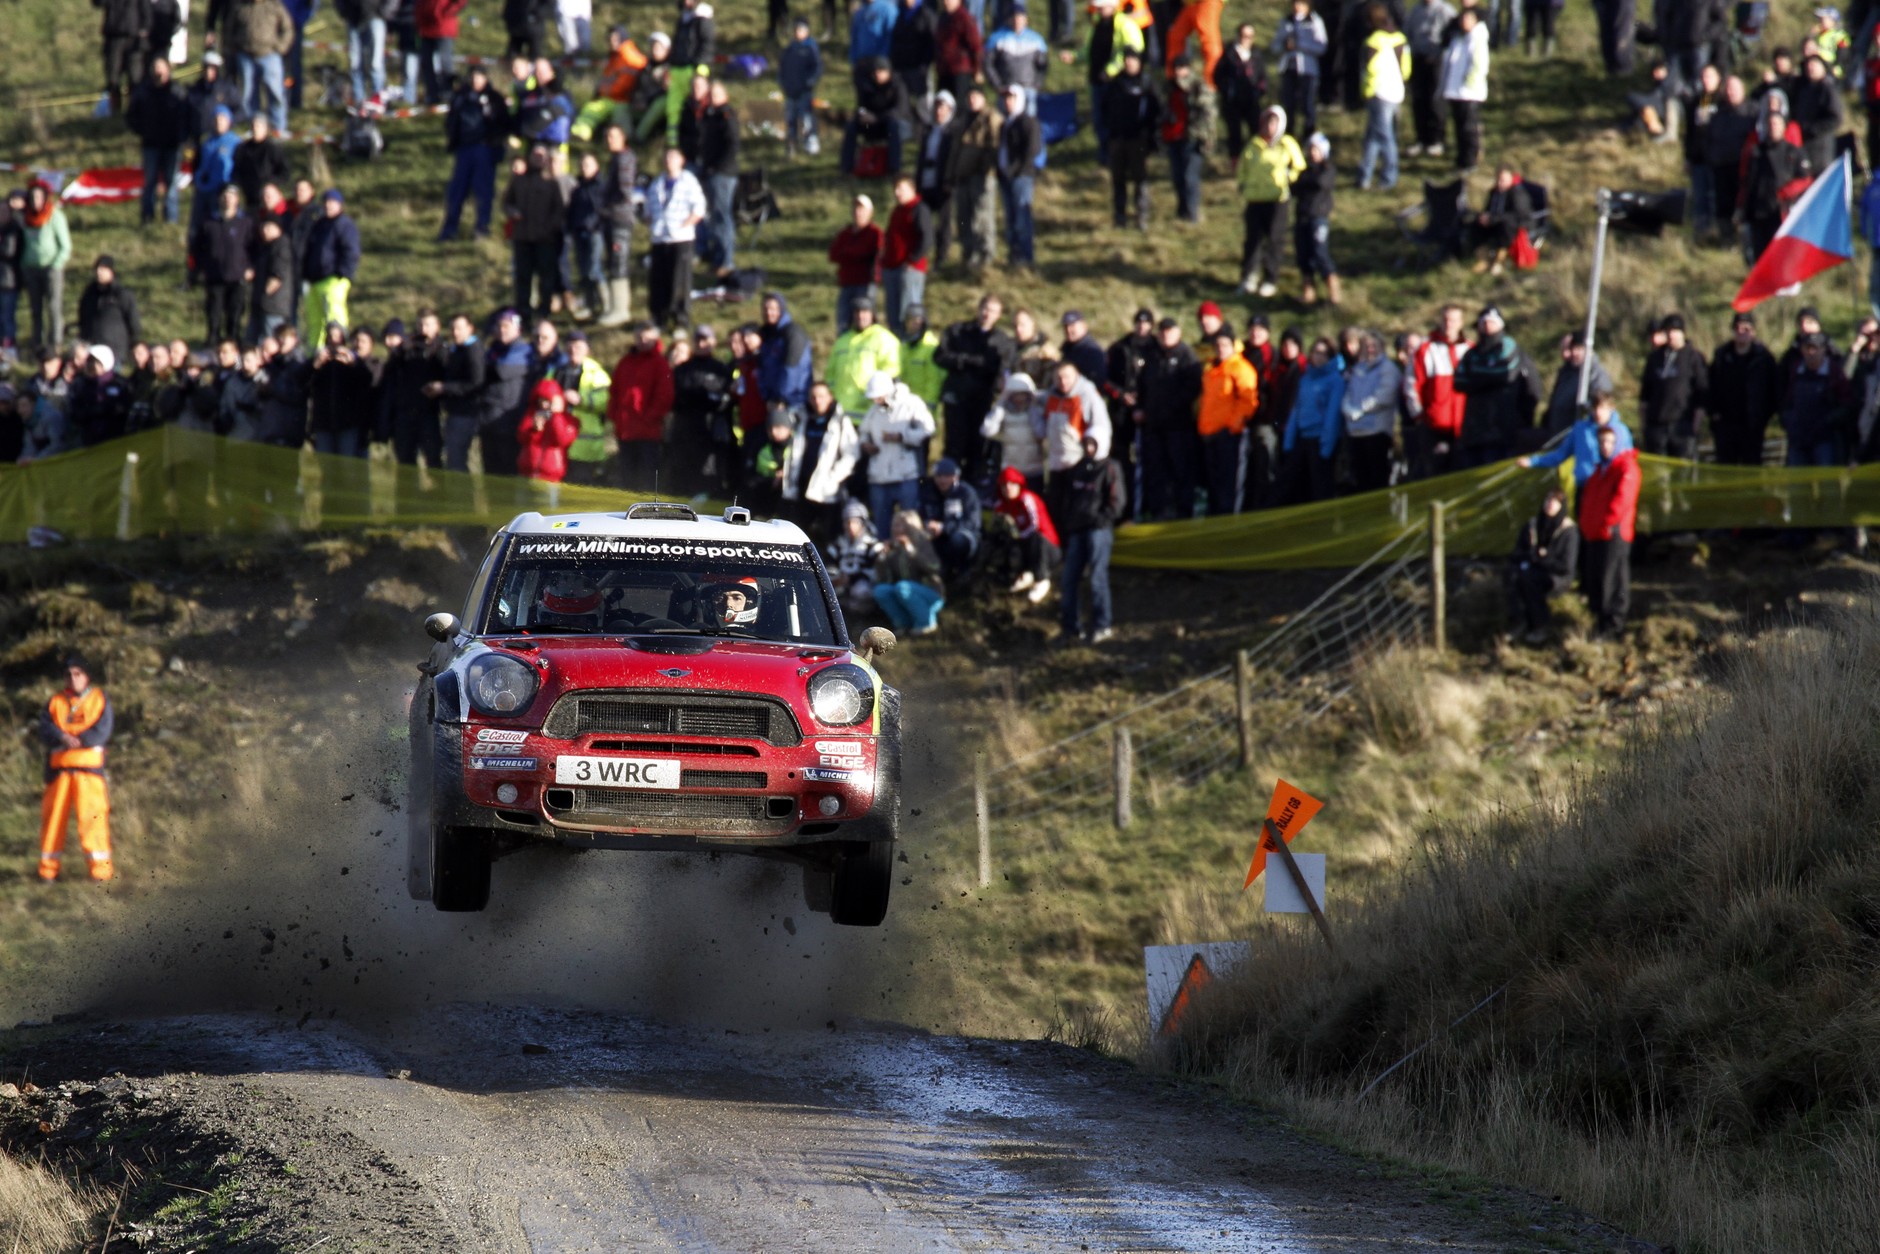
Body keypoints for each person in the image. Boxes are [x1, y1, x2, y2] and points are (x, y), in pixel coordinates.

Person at [36, 656, 115, 883]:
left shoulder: (99, 699)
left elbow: (103, 730)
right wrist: (62, 736)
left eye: (78, 673)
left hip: (89, 773)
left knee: (93, 820)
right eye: (68, 674)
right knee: (52, 822)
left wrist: (79, 740)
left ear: (86, 676)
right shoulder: (55, 702)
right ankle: (47, 872)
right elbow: (44, 729)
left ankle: (100, 872)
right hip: (59, 773)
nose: (73, 678)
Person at [1051, 433, 1125, 642]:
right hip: (1077, 529)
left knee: (1097, 578)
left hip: (1099, 530)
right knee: (1068, 579)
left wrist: (1102, 520)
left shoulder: (1110, 467)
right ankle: (1070, 628)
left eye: (1093, 444)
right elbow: (1069, 498)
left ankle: (1102, 624)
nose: (1090, 448)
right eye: (1087, 444)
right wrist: (1069, 522)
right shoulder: (1078, 469)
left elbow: (1117, 502)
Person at [935, 293, 1017, 479]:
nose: (987, 314)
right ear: (979, 309)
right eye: (985, 309)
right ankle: (948, 485)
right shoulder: (958, 331)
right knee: (953, 446)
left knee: (977, 447)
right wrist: (966, 360)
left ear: (999, 315)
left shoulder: (1002, 341)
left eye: (993, 311)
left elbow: (1004, 370)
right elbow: (939, 356)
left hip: (982, 400)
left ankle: (972, 489)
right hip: (956, 397)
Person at [1453, 306, 1536, 468]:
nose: (1487, 327)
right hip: (1474, 430)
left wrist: (1477, 379)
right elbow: (1459, 382)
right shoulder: (1472, 354)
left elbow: (1507, 375)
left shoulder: (1511, 349)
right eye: (1483, 323)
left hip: (1504, 428)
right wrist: (1487, 380)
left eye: (1491, 323)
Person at [1578, 423, 1640, 639]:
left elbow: (1623, 499)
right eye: (1602, 441)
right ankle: (1600, 623)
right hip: (1595, 534)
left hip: (1613, 534)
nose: (1605, 446)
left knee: (1611, 580)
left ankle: (1613, 625)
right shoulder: (1598, 473)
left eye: (1609, 442)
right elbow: (1588, 503)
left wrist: (1607, 523)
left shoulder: (1626, 468)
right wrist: (1587, 526)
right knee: (1596, 579)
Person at [1236, 105, 1304, 296]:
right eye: (1266, 121)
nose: (1269, 126)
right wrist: (1243, 184)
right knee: (1252, 241)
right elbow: (1242, 167)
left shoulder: (1287, 144)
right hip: (1254, 199)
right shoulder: (1253, 145)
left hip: (1278, 199)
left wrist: (1288, 180)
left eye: (1273, 122)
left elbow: (1299, 167)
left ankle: (1270, 278)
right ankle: (1249, 276)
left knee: (1274, 240)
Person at [1069, 0, 1146, 164]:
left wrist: (1111, 71)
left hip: (1116, 84)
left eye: (1102, 6)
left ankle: (1116, 157)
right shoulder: (1097, 24)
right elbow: (1089, 49)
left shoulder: (1125, 25)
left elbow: (1131, 51)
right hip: (1097, 80)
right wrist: (1075, 57)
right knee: (1099, 120)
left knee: (1113, 120)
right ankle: (1105, 156)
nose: (1099, 10)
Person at [439, 64, 509, 242]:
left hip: (485, 148)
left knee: (483, 191)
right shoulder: (460, 97)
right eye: (473, 77)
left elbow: (503, 123)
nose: (475, 80)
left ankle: (482, 228)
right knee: (456, 191)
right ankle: (449, 229)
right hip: (463, 149)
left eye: (479, 77)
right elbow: (451, 120)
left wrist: (495, 144)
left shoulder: (494, 98)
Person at [860, 370, 937, 529]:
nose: (876, 401)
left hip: (906, 474)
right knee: (882, 524)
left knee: (909, 524)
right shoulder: (874, 410)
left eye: (878, 397)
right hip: (879, 476)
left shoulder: (911, 403)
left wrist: (902, 437)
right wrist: (866, 444)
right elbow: (864, 431)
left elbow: (928, 429)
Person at [1739, 91, 1811, 261]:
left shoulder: (1794, 152)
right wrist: (1742, 207)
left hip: (1782, 211)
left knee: (1782, 255)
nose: (1773, 127)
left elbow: (1805, 180)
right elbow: (1746, 181)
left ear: (1784, 126)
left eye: (1777, 124)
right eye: (1770, 124)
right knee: (1759, 255)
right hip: (1758, 211)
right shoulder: (1755, 151)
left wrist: (1784, 193)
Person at [606, 321, 675, 490]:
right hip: (625, 432)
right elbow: (615, 391)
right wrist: (615, 416)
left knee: (647, 481)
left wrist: (648, 418)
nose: (643, 340)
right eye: (639, 336)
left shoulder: (659, 363)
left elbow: (664, 396)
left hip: (648, 434)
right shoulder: (626, 362)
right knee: (627, 479)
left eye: (647, 336)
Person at [1197, 326, 1258, 513]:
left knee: (1228, 484)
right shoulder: (1211, 368)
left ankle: (1229, 517)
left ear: (1233, 345)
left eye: (1225, 344)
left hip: (1228, 434)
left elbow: (1248, 402)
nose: (1221, 348)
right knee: (1213, 483)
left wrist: (1233, 426)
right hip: (1209, 434)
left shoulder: (1241, 368)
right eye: (1218, 344)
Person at [1507, 488, 1579, 643]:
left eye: (1555, 501)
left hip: (1557, 576)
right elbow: (1519, 552)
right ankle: (1518, 622)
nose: (1550, 504)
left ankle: (1540, 627)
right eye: (1548, 500)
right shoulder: (1533, 525)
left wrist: (1543, 559)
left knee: (1531, 581)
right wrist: (1531, 557)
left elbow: (1566, 566)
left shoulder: (1569, 531)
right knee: (1512, 575)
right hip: (1533, 568)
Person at [1707, 311, 1779, 466]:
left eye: (1746, 328)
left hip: (1752, 425)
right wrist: (1714, 414)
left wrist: (1763, 416)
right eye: (1738, 328)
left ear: (1753, 331)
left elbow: (1774, 390)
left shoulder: (1764, 358)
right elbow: (1710, 386)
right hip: (1726, 425)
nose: (1741, 332)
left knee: (1752, 465)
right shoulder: (1721, 356)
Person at [646, 148, 706, 331]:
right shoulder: (657, 184)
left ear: (681, 160)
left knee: (680, 279)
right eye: (666, 157)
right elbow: (648, 209)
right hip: (659, 238)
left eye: (673, 157)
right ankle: (659, 318)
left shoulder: (689, 182)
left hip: (681, 238)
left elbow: (699, 207)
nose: (668, 160)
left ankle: (680, 317)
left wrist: (686, 224)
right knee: (658, 279)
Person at [126, 58, 190, 226]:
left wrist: (181, 136)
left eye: (161, 67)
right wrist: (143, 131)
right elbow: (132, 115)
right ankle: (148, 217)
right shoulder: (143, 91)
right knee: (150, 182)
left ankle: (171, 218)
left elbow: (186, 116)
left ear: (168, 69)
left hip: (172, 145)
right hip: (151, 144)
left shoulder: (177, 91)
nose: (158, 71)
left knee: (171, 182)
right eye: (155, 67)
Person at [1103, 48, 1160, 232]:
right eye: (1126, 59)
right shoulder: (1116, 84)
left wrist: (1151, 138)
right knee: (1118, 180)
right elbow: (1104, 109)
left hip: (1138, 140)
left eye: (1133, 59)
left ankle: (1141, 216)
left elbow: (1156, 111)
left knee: (1140, 179)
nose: (1129, 63)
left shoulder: (1147, 83)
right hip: (1117, 138)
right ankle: (1119, 217)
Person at [1282, 336, 1344, 502]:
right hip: (1302, 439)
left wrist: (1326, 446)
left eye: (1323, 353)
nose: (1318, 357)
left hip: (1320, 442)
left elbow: (1332, 415)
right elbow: (1296, 410)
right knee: (1297, 488)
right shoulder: (1305, 379)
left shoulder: (1335, 380)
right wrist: (1288, 441)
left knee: (1320, 489)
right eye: (1316, 352)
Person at [1638, 313, 1708, 458]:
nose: (1671, 335)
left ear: (1682, 333)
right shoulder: (1655, 358)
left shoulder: (1693, 357)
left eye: (1674, 331)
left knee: (1682, 473)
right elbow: (1645, 394)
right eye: (1668, 331)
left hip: (1682, 426)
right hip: (1656, 426)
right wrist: (1644, 425)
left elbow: (1702, 393)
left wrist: (1695, 425)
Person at [1781, 331, 1853, 468]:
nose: (1811, 353)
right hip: (1798, 440)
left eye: (1815, 348)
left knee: (1827, 484)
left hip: (1825, 441)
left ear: (1824, 350)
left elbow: (1847, 403)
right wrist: (1788, 420)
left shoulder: (1834, 372)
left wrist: (1829, 421)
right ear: (1802, 350)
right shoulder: (1796, 371)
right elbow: (1787, 401)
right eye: (1807, 348)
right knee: (1798, 485)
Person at [1340, 329, 1399, 492]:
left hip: (1376, 431)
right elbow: (1348, 392)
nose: (1370, 349)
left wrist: (1362, 409)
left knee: (1377, 477)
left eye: (1374, 345)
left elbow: (1384, 395)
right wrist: (1348, 408)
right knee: (1360, 477)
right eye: (1366, 346)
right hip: (1356, 431)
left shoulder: (1388, 368)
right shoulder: (1358, 369)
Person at [1358, 4, 1409, 191]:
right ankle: (1364, 175)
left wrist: (1365, 91)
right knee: (1373, 136)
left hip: (1379, 93)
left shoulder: (1373, 42)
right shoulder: (1400, 39)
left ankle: (1389, 177)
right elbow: (1406, 68)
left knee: (1385, 137)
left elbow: (1367, 70)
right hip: (1396, 92)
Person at [190, 188, 251, 346]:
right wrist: (200, 269)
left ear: (237, 199)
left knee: (235, 314)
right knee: (214, 314)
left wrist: (251, 267)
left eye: (231, 196)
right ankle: (212, 343)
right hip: (214, 276)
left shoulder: (245, 222)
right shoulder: (209, 222)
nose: (227, 199)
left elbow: (253, 247)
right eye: (224, 196)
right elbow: (197, 248)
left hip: (237, 276)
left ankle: (233, 343)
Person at [873, 508, 947, 634]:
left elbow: (934, 568)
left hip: (930, 593)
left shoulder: (923, 542)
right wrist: (882, 558)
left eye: (901, 525)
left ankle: (926, 622)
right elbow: (885, 579)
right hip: (904, 592)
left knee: (903, 587)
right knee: (881, 591)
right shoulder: (893, 548)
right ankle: (903, 624)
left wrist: (911, 551)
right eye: (895, 525)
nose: (897, 529)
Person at [952, 85, 1003, 269]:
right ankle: (969, 253)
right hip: (962, 175)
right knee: (963, 217)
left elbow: (995, 144)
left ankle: (986, 253)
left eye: (976, 96)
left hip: (982, 175)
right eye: (969, 96)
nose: (972, 99)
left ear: (983, 98)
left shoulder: (991, 117)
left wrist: (985, 167)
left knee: (982, 216)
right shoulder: (963, 119)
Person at [227, 0, 295, 133]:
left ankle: (278, 127)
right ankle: (254, 127)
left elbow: (287, 28)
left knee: (275, 93)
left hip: (270, 55)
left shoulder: (274, 6)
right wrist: (234, 48)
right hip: (246, 56)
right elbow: (229, 28)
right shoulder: (240, 6)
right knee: (249, 94)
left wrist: (281, 47)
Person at [993, 464, 1059, 599]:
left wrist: (1017, 535)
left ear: (1019, 485)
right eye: (1004, 485)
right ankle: (1018, 575)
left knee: (1036, 538)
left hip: (1048, 549)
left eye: (1012, 484)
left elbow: (1036, 525)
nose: (1008, 488)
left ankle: (1042, 579)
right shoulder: (1000, 505)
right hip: (1024, 547)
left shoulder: (1027, 499)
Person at [21, 182, 71, 355]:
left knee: (53, 306)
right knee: (35, 308)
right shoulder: (25, 218)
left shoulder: (55, 216)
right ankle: (36, 343)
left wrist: (56, 264)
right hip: (31, 269)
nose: (35, 201)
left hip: (52, 268)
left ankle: (55, 343)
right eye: (32, 197)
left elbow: (65, 246)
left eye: (39, 197)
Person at [996, 83, 1043, 269]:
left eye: (1011, 98)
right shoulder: (1006, 123)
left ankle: (1025, 256)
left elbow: (1032, 150)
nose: (1008, 102)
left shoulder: (1028, 122)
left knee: (1021, 218)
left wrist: (1016, 170)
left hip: (1021, 177)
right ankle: (1014, 255)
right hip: (1007, 177)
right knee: (1011, 218)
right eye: (1006, 98)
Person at [1439, 5, 1489, 172]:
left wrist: (1468, 83)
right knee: (1459, 128)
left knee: (1468, 128)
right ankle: (1461, 160)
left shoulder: (1477, 38)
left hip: (1469, 93)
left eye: (1468, 19)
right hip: (1456, 91)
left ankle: (1470, 160)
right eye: (1462, 18)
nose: (1463, 21)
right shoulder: (1459, 38)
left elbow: (1479, 64)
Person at [881, 177, 933, 336]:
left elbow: (927, 238)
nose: (897, 193)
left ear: (912, 189)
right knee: (893, 313)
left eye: (901, 189)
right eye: (895, 189)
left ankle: (912, 341)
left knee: (909, 312)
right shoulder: (897, 211)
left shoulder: (919, 209)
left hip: (909, 269)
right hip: (892, 268)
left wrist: (912, 260)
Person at [1270, 0, 1326, 138]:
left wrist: (1300, 45)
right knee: (1288, 104)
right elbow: (1275, 45)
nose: (1297, 7)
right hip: (1288, 68)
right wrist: (1285, 45)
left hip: (1307, 70)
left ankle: (1309, 135)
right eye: (1295, 3)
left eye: (1300, 3)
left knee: (1307, 105)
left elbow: (1321, 46)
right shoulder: (1286, 21)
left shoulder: (1314, 21)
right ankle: (1289, 135)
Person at [920, 456, 983, 580]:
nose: (942, 480)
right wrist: (927, 525)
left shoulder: (967, 493)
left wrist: (944, 527)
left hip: (965, 536)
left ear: (956, 477)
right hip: (935, 536)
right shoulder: (928, 492)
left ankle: (963, 569)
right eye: (939, 476)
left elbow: (973, 523)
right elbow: (921, 515)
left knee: (957, 541)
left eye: (947, 476)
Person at [830, 194, 885, 335]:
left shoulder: (875, 233)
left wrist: (850, 253)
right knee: (843, 322)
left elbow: (874, 253)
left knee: (865, 321)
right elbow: (833, 255)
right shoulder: (845, 233)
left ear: (870, 213)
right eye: (855, 208)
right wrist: (855, 253)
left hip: (865, 283)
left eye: (861, 209)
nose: (857, 212)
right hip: (847, 283)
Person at [1539, 332, 1612, 436]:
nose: (1573, 353)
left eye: (1578, 349)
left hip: (1578, 435)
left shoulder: (1597, 376)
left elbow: (1600, 406)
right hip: (1558, 434)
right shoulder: (1568, 372)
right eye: (1572, 349)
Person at [1404, 0, 1452, 157]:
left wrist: (1438, 53)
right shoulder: (1415, 10)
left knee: (1435, 101)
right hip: (1417, 59)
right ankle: (1421, 139)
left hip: (1437, 62)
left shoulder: (1446, 11)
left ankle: (1437, 140)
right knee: (1419, 100)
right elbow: (1408, 33)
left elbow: (1450, 37)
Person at [983, 370, 1048, 486]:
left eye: (1022, 394)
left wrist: (1033, 410)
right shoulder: (1003, 412)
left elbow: (1041, 433)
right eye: (1015, 394)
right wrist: (999, 406)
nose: (1019, 399)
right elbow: (987, 430)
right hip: (1011, 470)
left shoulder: (1036, 410)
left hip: (1034, 470)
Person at [1294, 132, 1338, 305]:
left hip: (1318, 217)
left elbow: (1320, 183)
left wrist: (1304, 181)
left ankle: (1334, 292)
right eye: (1311, 149)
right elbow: (1295, 188)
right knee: (1303, 255)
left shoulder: (1328, 170)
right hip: (1302, 217)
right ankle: (1308, 291)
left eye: (1316, 149)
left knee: (1320, 253)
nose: (1313, 153)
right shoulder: (1305, 171)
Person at [1214, 23, 1268, 160]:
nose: (1247, 39)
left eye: (1250, 36)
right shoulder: (1228, 54)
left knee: (1256, 131)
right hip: (1233, 101)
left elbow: (1262, 76)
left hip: (1252, 100)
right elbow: (1218, 75)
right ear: (1238, 36)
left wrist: (1260, 91)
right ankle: (1236, 163)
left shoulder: (1256, 54)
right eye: (1244, 36)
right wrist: (1228, 90)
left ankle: (1257, 160)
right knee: (1234, 133)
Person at [76, 257, 142, 370]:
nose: (99, 272)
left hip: (114, 352)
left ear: (111, 271)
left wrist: (132, 344)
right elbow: (83, 318)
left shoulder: (122, 294)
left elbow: (133, 322)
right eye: (97, 269)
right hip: (91, 350)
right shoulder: (89, 293)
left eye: (103, 269)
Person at [779, 17, 824, 159]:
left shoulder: (810, 47)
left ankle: (811, 143)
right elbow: (782, 68)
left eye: (801, 29)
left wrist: (809, 82)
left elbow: (817, 67)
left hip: (804, 91)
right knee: (790, 118)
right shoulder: (790, 49)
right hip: (790, 91)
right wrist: (783, 83)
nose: (797, 32)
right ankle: (791, 144)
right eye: (796, 29)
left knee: (806, 118)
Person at [987, 4, 1049, 101]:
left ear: (1026, 19)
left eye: (1020, 17)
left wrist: (1037, 84)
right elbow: (988, 64)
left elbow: (1043, 65)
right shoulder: (997, 38)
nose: (1017, 21)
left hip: (1029, 89)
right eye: (1014, 18)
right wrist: (998, 85)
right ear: (1008, 19)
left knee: (1029, 116)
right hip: (1006, 90)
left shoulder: (1036, 39)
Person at [935, 0, 985, 104]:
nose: (946, 2)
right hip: (944, 71)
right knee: (942, 104)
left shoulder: (965, 18)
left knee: (960, 106)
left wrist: (977, 69)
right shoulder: (943, 18)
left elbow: (976, 46)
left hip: (960, 71)